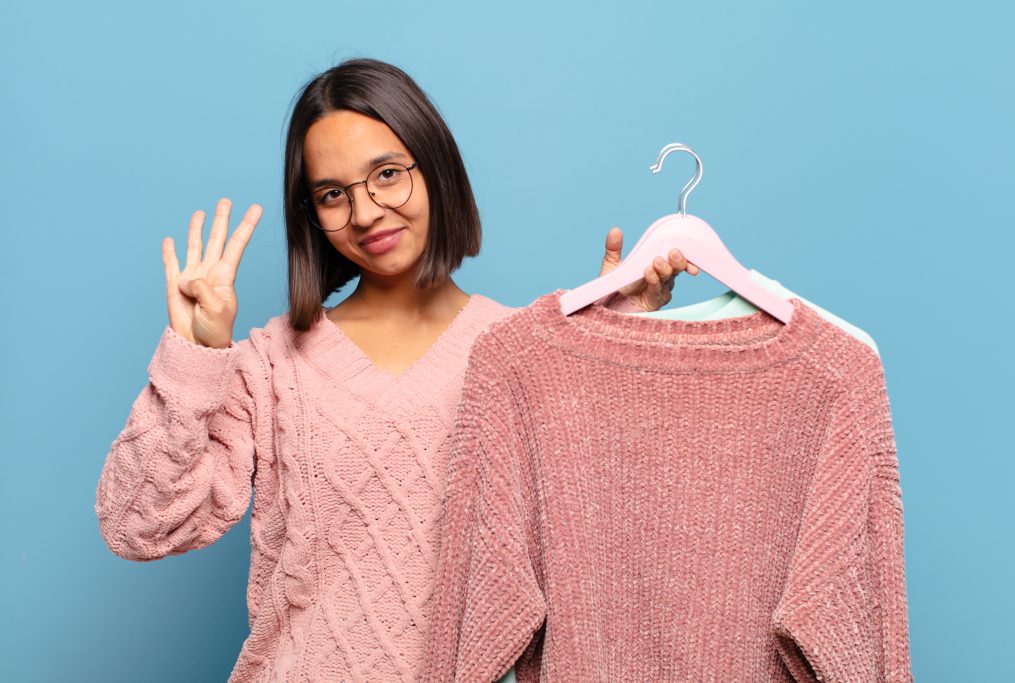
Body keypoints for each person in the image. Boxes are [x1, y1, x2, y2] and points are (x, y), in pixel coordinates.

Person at [95, 58, 697, 682]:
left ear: (435, 167)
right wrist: (195, 357)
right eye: (333, 194)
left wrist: (603, 351)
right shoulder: (270, 365)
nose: (365, 212)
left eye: (387, 174)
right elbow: (137, 525)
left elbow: (608, 551)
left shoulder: (523, 352)